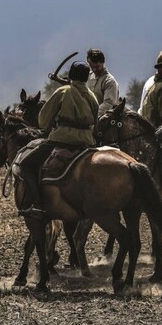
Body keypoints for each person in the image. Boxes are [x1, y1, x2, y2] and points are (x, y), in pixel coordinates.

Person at [18, 61, 99, 216]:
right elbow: (95, 120)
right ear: (86, 78)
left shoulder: (63, 91)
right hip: (86, 143)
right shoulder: (92, 96)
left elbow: (43, 119)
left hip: (62, 139)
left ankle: (37, 205)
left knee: (26, 164)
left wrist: (47, 128)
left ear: (71, 75)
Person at [86, 48, 119, 117]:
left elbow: (108, 104)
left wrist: (90, 116)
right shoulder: (88, 76)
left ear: (103, 63)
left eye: (97, 66)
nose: (94, 69)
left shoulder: (109, 81)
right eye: (92, 66)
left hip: (103, 121)